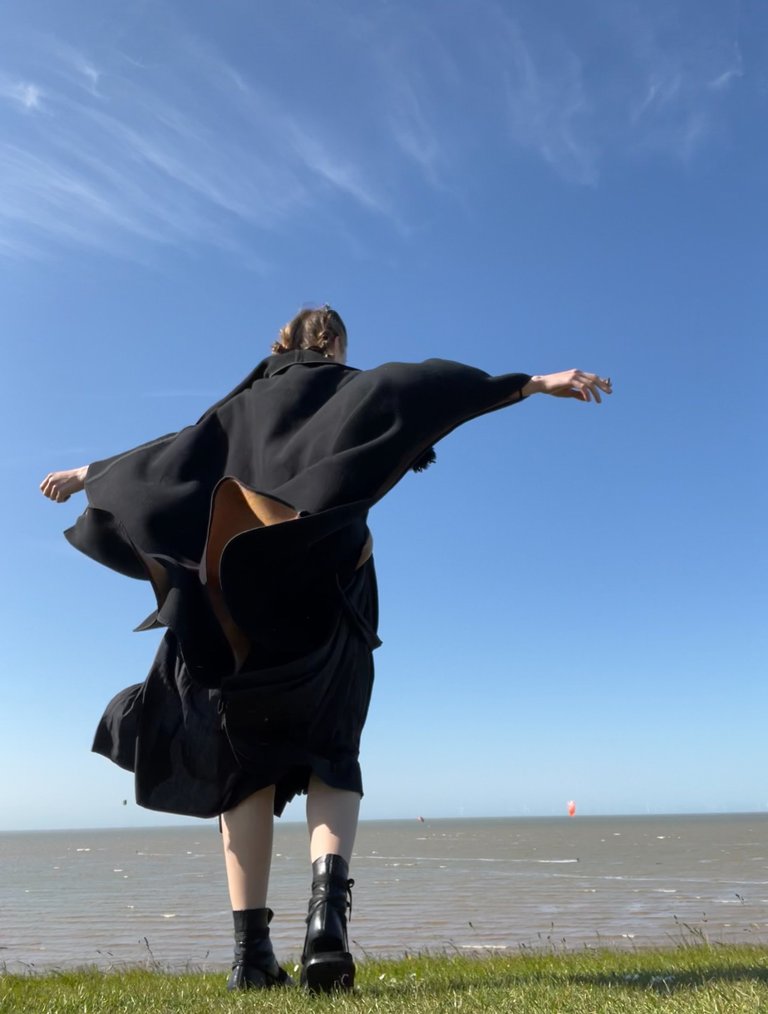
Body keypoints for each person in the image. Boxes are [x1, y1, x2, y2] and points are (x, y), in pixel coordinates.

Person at [40, 306, 612, 992]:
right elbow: (420, 386)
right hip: (326, 594)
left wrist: (86, 472)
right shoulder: (349, 385)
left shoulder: (238, 407)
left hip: (232, 614)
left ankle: (252, 957)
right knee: (332, 757)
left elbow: (169, 455)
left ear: (280, 344)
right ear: (333, 342)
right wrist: (535, 383)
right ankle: (326, 930)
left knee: (243, 772)